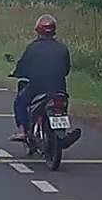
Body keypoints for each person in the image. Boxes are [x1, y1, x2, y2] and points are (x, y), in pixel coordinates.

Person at [10, 14, 73, 143]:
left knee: (20, 102)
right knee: (62, 106)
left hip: (37, 89)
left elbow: (22, 67)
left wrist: (16, 73)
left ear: (38, 30)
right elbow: (66, 70)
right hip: (59, 90)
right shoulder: (62, 48)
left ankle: (23, 131)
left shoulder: (32, 48)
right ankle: (62, 131)